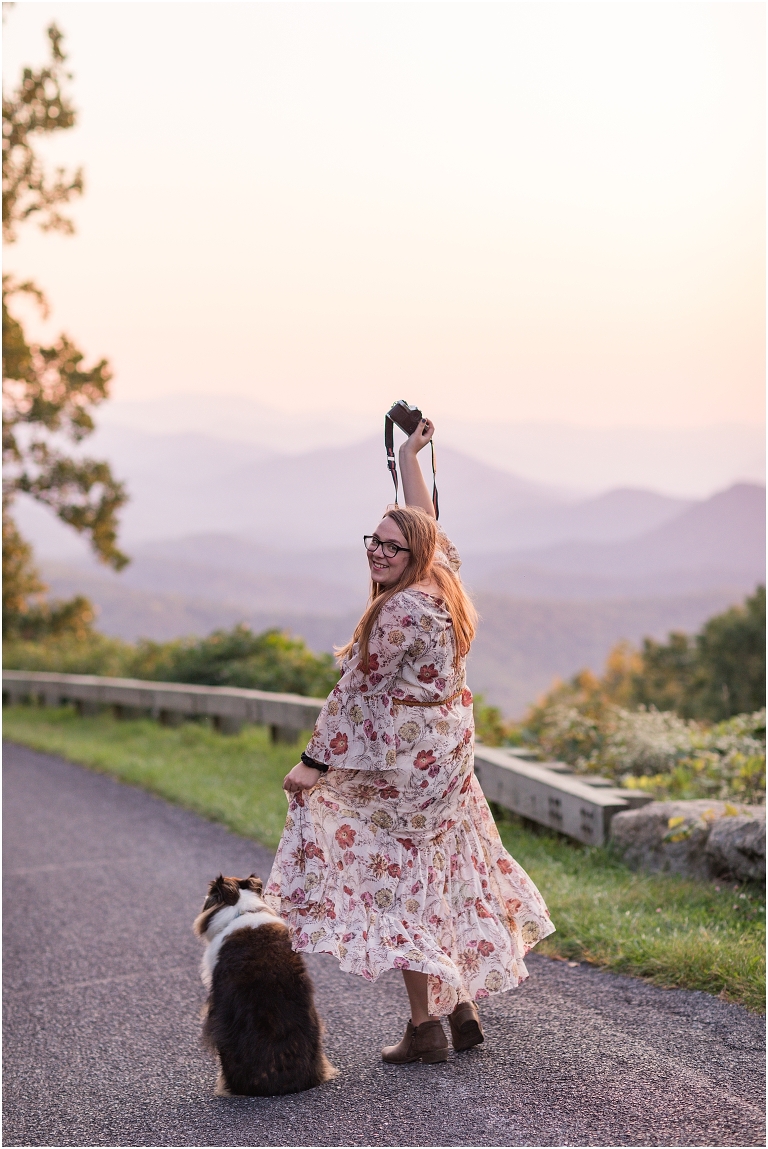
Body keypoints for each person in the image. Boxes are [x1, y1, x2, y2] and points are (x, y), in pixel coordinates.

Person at [265, 417, 554, 1065]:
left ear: (412, 553)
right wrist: (409, 455)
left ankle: (425, 1025)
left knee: (398, 879)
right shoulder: (443, 583)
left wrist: (314, 764)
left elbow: (356, 693)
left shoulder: (398, 610)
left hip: (412, 760)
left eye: (391, 547)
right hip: (452, 751)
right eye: (374, 540)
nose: (378, 553)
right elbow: (425, 518)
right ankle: (458, 1002)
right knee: (445, 870)